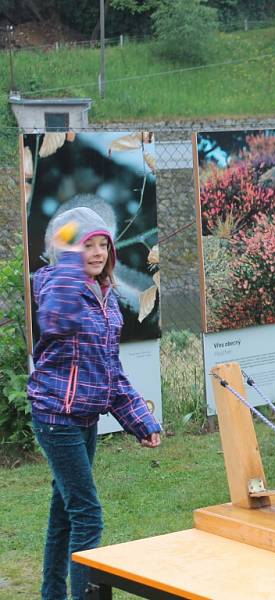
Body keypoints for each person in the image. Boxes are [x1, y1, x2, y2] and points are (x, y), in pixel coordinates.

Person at [28, 206, 162, 600]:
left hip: (84, 419)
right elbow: (54, 320)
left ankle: (52, 594)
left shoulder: (106, 300)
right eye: (89, 245)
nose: (99, 252)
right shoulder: (56, 285)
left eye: (104, 244)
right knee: (88, 515)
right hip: (56, 418)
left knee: (64, 514)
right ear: (69, 253)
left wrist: (141, 421)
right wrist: (69, 262)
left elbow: (111, 373)